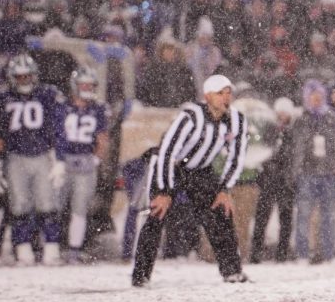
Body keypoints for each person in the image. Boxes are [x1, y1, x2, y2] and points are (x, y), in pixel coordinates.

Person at [131, 75, 250, 286]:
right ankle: (140, 276)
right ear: (207, 96)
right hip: (170, 166)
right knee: (158, 213)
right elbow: (167, 151)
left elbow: (236, 157)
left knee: (221, 211)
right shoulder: (191, 116)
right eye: (220, 93)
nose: (226, 98)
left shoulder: (236, 121)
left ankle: (232, 271)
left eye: (228, 93)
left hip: (200, 170)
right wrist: (164, 190)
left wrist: (224, 188)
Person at [0, 54, 65, 265]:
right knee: (19, 205)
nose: (24, 80)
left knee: (47, 204)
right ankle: (23, 252)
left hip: (41, 154)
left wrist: (58, 159)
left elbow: (57, 128)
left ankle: (52, 250)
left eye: (27, 76)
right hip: (15, 157)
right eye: (20, 77)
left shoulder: (47, 95)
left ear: (35, 76)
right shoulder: (4, 98)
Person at [290, 81, 335, 264]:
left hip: (329, 174)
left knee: (329, 216)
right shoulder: (301, 120)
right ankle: (302, 254)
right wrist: (296, 171)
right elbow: (296, 148)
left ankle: (329, 254)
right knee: (303, 215)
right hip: (307, 173)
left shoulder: (333, 119)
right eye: (312, 96)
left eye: (319, 96)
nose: (316, 100)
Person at [55, 66, 109, 264]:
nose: (87, 88)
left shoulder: (99, 109)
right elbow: (55, 135)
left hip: (86, 161)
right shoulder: (62, 106)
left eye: (90, 85)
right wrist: (56, 160)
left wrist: (97, 158)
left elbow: (103, 138)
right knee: (54, 206)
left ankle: (74, 249)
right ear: (74, 86)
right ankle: (50, 247)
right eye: (83, 84)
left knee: (80, 208)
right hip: (63, 160)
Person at [250, 97, 297, 264]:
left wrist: (290, 174)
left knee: (285, 219)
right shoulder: (269, 130)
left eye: (285, 112)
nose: (282, 115)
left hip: (286, 181)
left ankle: (282, 255)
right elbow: (261, 151)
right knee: (262, 218)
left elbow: (295, 156)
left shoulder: (293, 132)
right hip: (269, 179)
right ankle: (255, 254)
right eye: (280, 112)